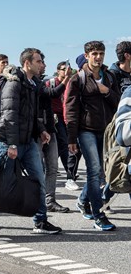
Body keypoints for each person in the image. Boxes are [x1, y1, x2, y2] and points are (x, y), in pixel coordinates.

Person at [0, 48, 62, 234]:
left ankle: (40, 221)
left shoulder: (32, 83)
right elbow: (10, 116)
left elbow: (31, 114)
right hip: (9, 141)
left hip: (28, 141)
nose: (42, 65)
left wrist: (41, 130)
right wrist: (12, 144)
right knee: (3, 180)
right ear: (27, 63)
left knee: (38, 180)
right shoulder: (13, 83)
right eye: (39, 61)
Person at [66, 41, 119, 230]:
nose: (98, 57)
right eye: (95, 53)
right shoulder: (77, 79)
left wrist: (106, 92)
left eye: (101, 53)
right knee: (94, 170)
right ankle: (99, 215)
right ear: (86, 55)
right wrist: (71, 138)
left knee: (102, 172)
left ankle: (82, 200)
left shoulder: (110, 77)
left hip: (106, 131)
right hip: (86, 130)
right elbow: (71, 110)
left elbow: (118, 102)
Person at [46, 61, 78, 190]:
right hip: (56, 117)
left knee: (61, 147)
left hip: (68, 117)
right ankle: (70, 176)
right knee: (64, 145)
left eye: (68, 70)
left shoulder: (71, 83)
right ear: (58, 70)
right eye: (63, 69)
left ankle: (66, 174)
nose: (66, 72)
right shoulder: (51, 83)